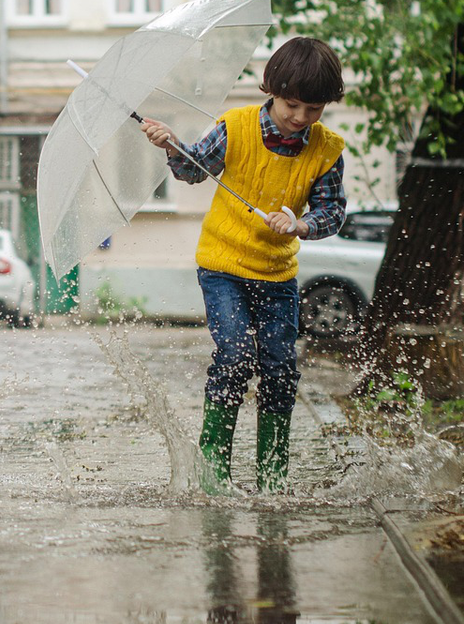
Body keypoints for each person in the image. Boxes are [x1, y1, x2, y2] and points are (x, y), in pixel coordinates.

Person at [140, 37, 347, 494]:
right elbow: (193, 170)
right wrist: (172, 145)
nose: (300, 118)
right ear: (271, 89)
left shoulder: (327, 150)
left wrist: (302, 224)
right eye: (292, 104)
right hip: (223, 267)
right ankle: (214, 477)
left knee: (279, 369)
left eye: (314, 109)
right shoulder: (235, 128)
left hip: (277, 274)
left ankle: (273, 480)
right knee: (234, 359)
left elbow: (332, 212)